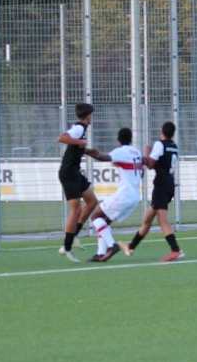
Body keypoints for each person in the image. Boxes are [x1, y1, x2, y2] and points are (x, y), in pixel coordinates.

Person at [121, 121, 184, 262]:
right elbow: (161, 163)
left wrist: (147, 153)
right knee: (148, 219)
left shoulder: (160, 144)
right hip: (169, 185)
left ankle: (175, 250)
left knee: (162, 219)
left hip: (161, 186)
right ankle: (130, 247)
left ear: (162, 131)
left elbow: (150, 165)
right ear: (173, 133)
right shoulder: (174, 147)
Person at [83, 127, 143, 262]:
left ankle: (112, 245)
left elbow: (102, 157)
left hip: (124, 195)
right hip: (134, 197)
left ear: (118, 139)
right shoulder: (137, 152)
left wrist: (84, 151)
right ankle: (101, 253)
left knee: (95, 216)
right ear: (131, 139)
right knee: (104, 222)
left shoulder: (121, 151)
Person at [56, 102, 96, 263]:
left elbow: (74, 148)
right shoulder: (79, 128)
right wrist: (80, 143)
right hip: (69, 173)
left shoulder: (81, 129)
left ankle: (74, 235)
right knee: (76, 209)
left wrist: (87, 151)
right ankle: (66, 248)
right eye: (91, 115)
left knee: (92, 201)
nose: (92, 118)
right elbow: (62, 138)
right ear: (88, 116)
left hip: (75, 172)